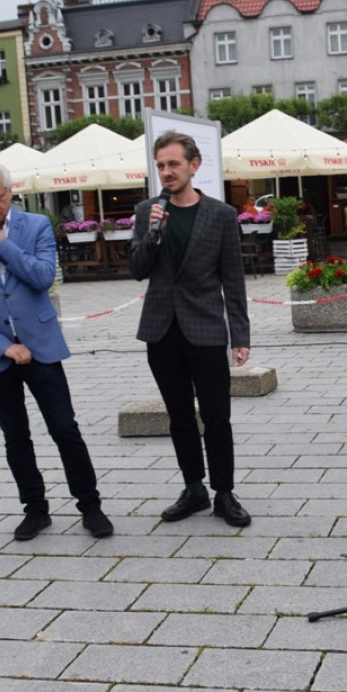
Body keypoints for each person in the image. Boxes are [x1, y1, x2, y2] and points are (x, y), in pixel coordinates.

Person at [0, 159, 112, 541]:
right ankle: (35, 509)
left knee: (64, 429)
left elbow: (42, 277)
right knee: (15, 436)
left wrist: (3, 245)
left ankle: (90, 505)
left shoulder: (35, 226)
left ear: (10, 190)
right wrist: (3, 346)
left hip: (42, 348)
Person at [129, 131, 252, 528]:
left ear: (193, 165)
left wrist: (241, 337)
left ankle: (225, 493)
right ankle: (193, 489)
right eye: (161, 165)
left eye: (174, 164)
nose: (166, 171)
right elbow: (136, 270)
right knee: (179, 415)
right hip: (161, 331)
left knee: (217, 415)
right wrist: (151, 234)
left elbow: (233, 281)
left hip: (206, 330)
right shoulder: (147, 209)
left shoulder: (221, 215)